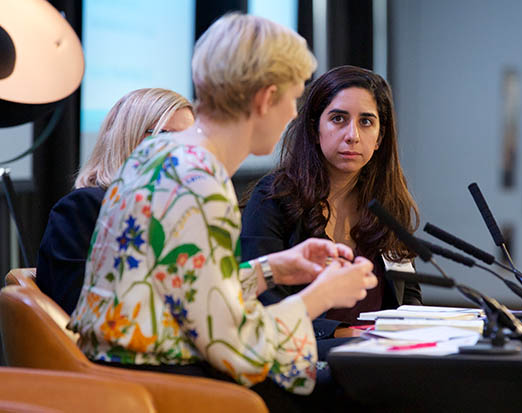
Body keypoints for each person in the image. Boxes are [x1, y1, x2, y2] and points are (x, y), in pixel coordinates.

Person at [67, 13, 377, 412]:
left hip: (120, 375)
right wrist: (322, 295)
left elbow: (186, 286)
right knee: (363, 389)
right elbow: (237, 347)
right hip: (166, 386)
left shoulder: (158, 154)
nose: (293, 114)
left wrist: (275, 269)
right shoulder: (199, 180)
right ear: (265, 98)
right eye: (292, 98)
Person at [241, 65, 422, 346]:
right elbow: (262, 300)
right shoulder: (273, 198)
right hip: (303, 352)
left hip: (381, 353)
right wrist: (337, 332)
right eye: (338, 119)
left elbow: (407, 295)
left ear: (379, 138)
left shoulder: (388, 203)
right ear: (315, 129)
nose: (353, 135)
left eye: (366, 122)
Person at [36, 88, 194, 314]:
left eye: (190, 139)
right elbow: (79, 310)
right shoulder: (83, 208)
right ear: (127, 138)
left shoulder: (185, 212)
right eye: (166, 136)